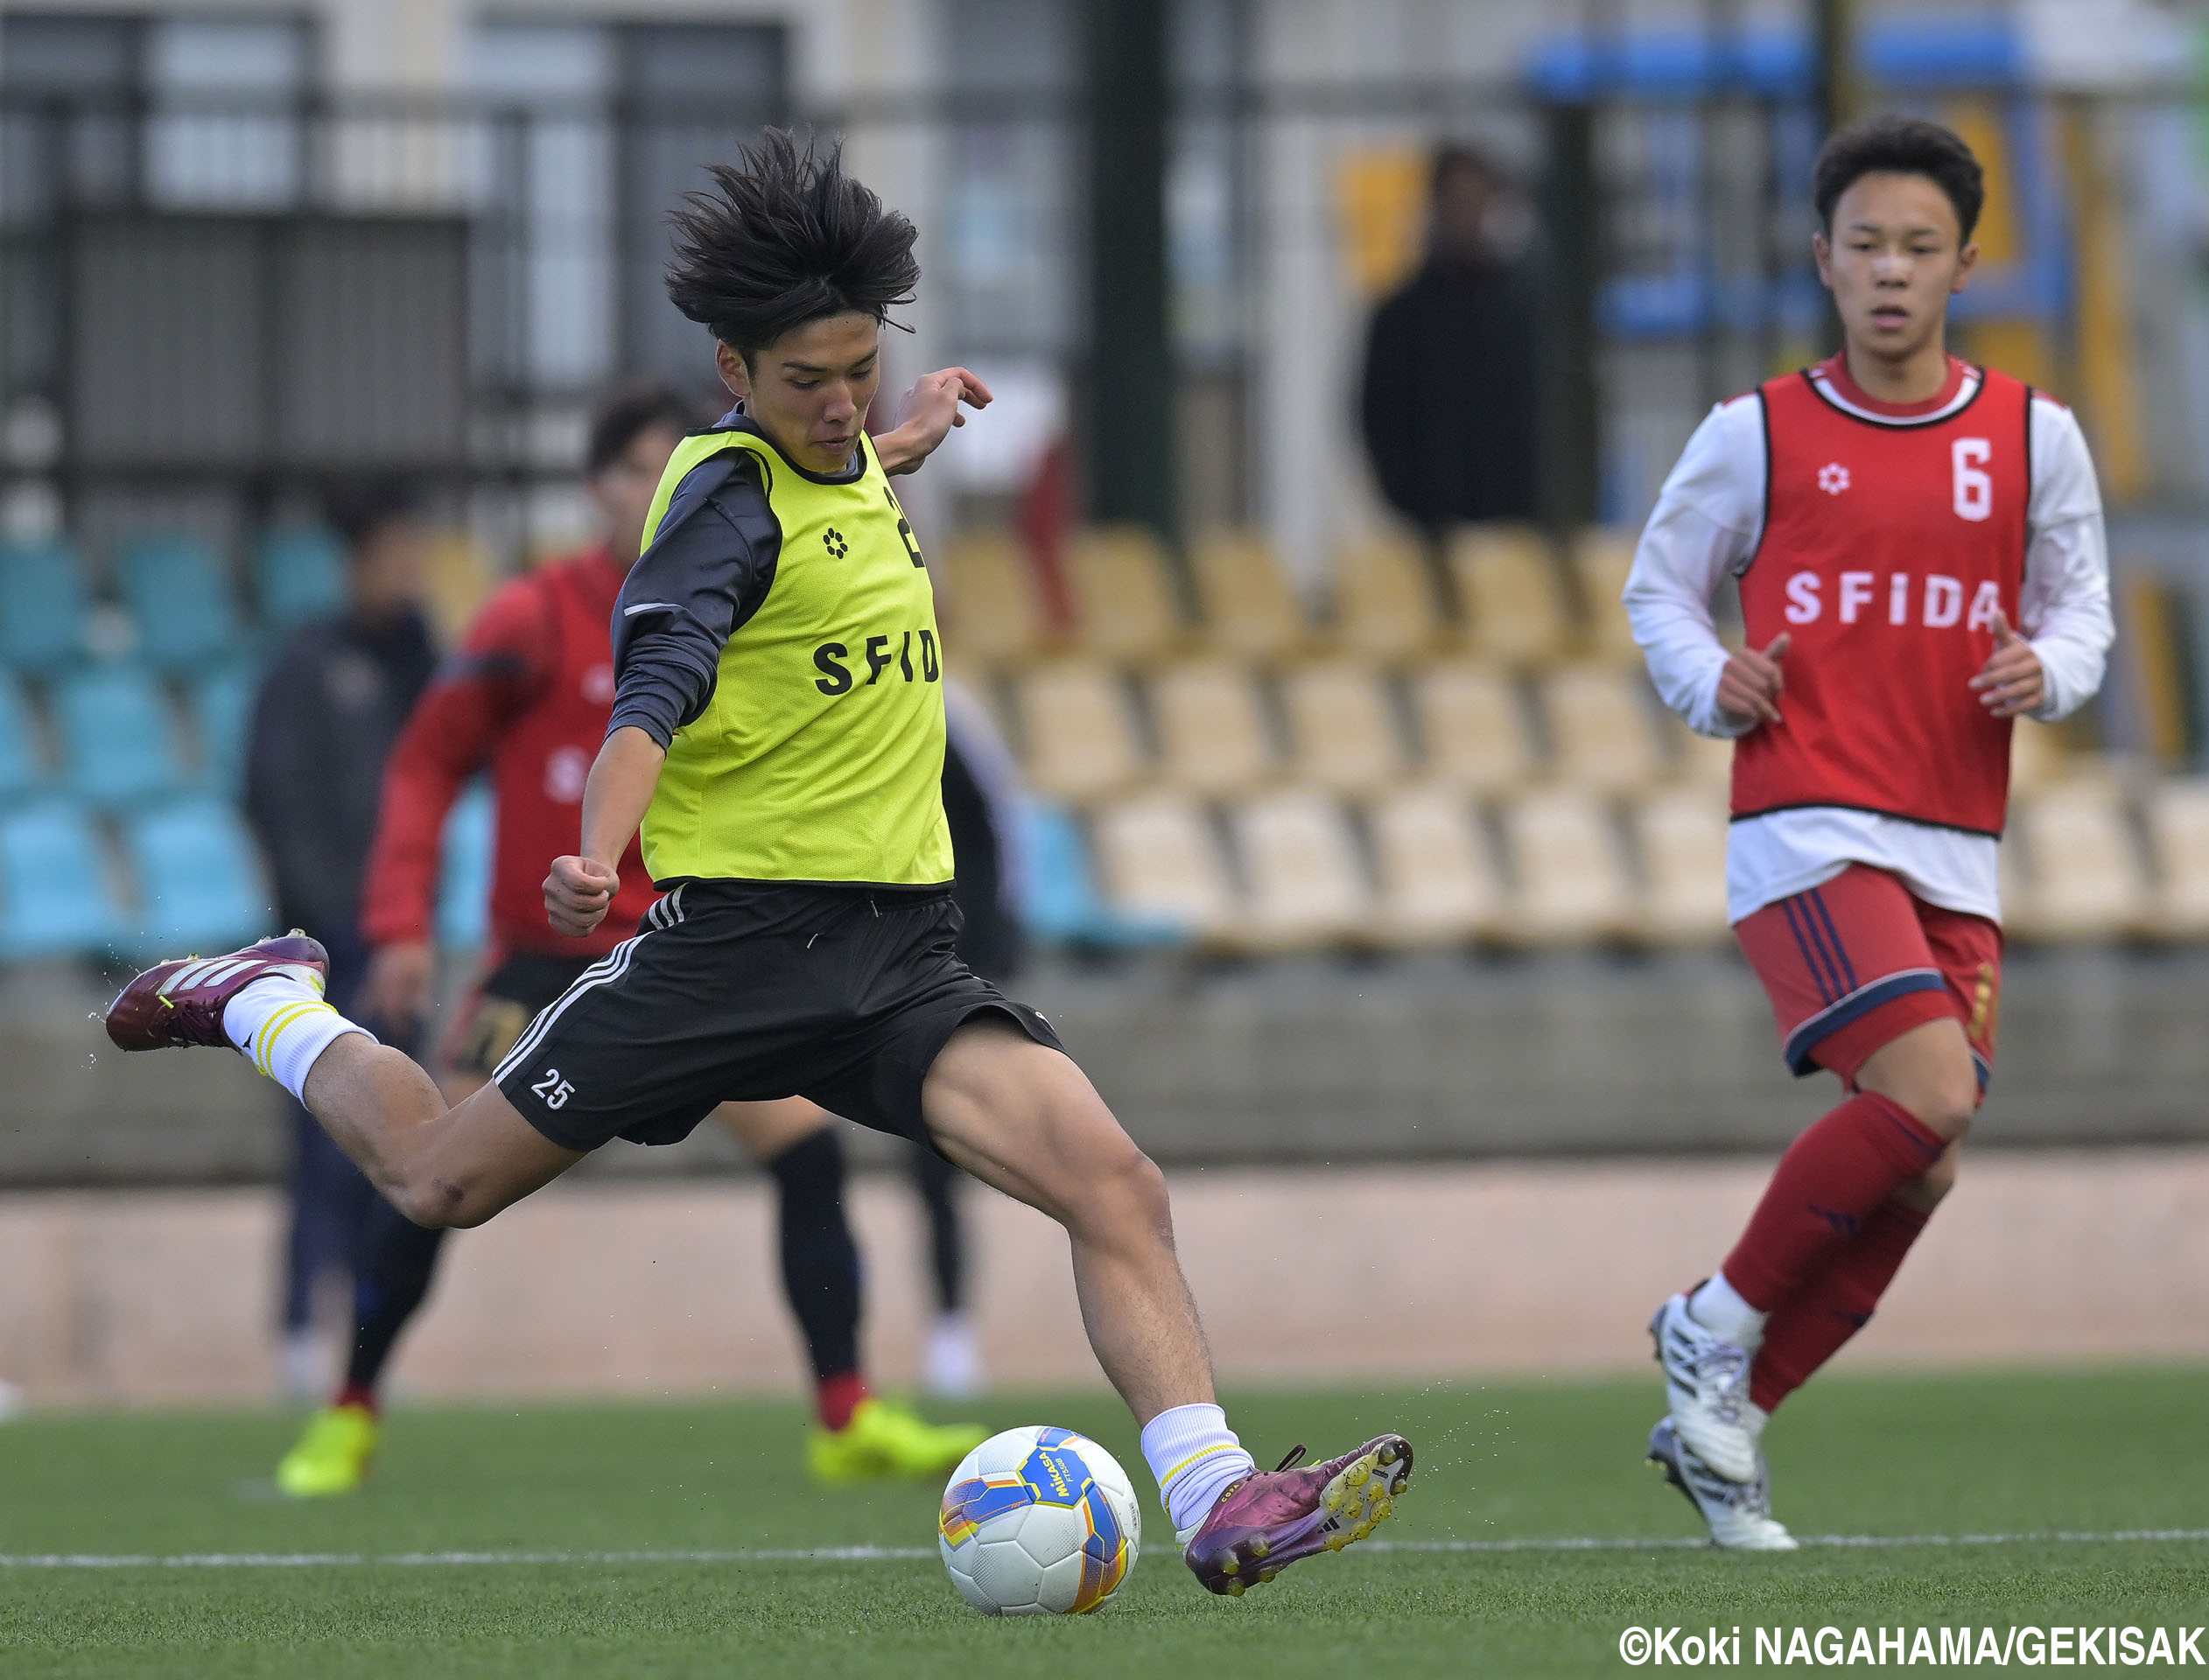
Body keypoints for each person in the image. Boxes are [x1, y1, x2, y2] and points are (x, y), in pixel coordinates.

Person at [107, 130, 1412, 1596]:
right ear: (732, 372)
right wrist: (599, 861)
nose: (843, 403)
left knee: (1114, 1180)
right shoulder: (716, 509)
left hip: (899, 955)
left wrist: (903, 432)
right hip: (732, 955)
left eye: (862, 366)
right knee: (432, 1181)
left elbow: (846, 480)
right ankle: (266, 1001)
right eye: (810, 381)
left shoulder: (846, 454)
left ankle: (1219, 1497)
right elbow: (645, 708)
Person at [270, 388, 981, 1497]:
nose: (666, 493)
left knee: (807, 1151)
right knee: (437, 1174)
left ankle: (844, 1414)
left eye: (679, 472)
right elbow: (424, 766)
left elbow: (836, 493)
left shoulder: (752, 577)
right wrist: (399, 926)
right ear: (599, 489)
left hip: (687, 951)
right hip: (543, 959)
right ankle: (349, 1413)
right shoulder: (530, 618)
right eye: (642, 474)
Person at [1622, 116, 2113, 1548]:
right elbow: (1661, 588)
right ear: (1820, 260)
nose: (1890, 272)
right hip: (1808, 822)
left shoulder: (2036, 437)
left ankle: (1728, 1422)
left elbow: (2082, 603)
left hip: (1957, 839)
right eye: (1864, 246)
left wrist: (2057, 668)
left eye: (1919, 248)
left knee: (1927, 1154)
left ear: (1967, 260)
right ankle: (1707, 1323)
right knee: (1936, 1095)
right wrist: (1712, 679)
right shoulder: (1755, 432)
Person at [244, 480, 438, 1400]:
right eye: (395, 552)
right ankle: (296, 1329)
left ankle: (365, 1344)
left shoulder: (420, 663)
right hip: (326, 948)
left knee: (395, 1150)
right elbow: (278, 803)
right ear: (358, 562)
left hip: (399, 940)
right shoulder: (307, 667)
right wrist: (326, 922)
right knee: (322, 1149)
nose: (411, 571)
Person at [910, 677, 1031, 1400]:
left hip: (954, 959)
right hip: (869, 954)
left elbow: (1004, 825)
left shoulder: (951, 707)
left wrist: (995, 942)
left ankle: (952, 1330)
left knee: (945, 1145)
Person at [1359, 143, 1539, 537]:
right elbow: (1379, 416)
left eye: (1478, 201)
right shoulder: (1401, 318)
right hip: (1431, 533)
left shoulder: (1523, 313)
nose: (1468, 215)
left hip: (1520, 530)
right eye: (1457, 201)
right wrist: (1415, 503)